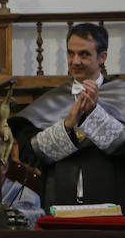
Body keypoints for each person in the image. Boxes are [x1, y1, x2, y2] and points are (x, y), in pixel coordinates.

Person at [9, 23, 125, 209]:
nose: (75, 61)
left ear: (102, 57)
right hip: (59, 204)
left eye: (84, 54)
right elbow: (30, 154)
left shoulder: (120, 95)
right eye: (71, 53)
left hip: (113, 206)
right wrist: (67, 125)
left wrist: (94, 114)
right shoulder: (50, 102)